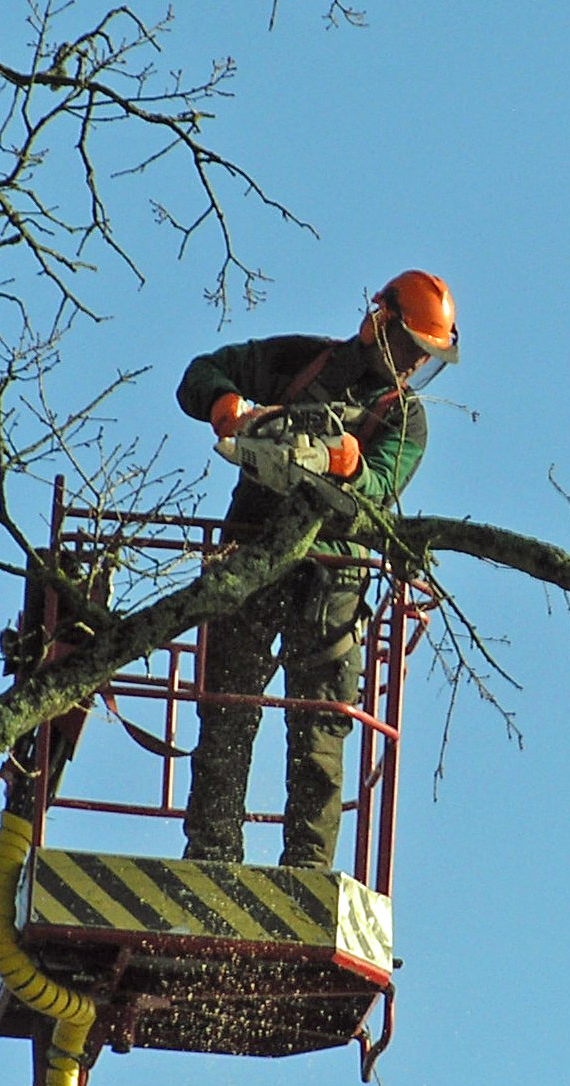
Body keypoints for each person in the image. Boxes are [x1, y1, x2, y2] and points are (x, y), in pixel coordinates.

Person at [175, 270, 458, 868]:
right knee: (227, 710)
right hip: (249, 563)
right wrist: (225, 403)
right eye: (408, 346)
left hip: (333, 588)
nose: (410, 364)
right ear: (379, 322)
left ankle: (306, 870)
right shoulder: (296, 361)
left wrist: (351, 469)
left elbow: (380, 486)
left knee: (321, 739)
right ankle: (211, 854)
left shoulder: (407, 419)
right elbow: (200, 371)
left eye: (422, 356)